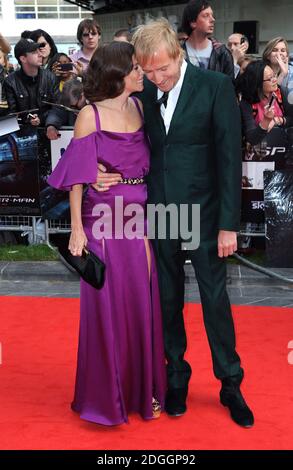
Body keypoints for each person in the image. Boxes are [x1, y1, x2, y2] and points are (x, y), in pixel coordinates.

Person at [96, 18, 254, 428]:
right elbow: (115, 130)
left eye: (162, 68)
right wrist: (97, 167)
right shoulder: (143, 92)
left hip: (204, 213)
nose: (156, 77)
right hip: (162, 211)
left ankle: (230, 382)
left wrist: (228, 224)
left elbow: (228, 157)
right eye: (147, 71)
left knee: (213, 299)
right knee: (167, 298)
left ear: (178, 53)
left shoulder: (215, 87)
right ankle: (175, 377)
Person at [47, 41, 166, 426]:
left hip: (137, 218)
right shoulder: (89, 116)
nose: (140, 73)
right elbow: (76, 178)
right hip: (101, 223)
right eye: (134, 67)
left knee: (141, 302)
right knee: (106, 309)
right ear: (117, 73)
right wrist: (77, 230)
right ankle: (107, 396)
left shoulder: (141, 108)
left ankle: (140, 389)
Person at [4, 38, 60, 127]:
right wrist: (27, 118)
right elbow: (11, 113)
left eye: (39, 50)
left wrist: (41, 118)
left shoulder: (50, 77)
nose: (40, 54)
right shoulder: (10, 82)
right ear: (23, 58)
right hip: (22, 132)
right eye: (34, 52)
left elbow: (57, 108)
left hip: (47, 129)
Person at [181, 0, 234, 79]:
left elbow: (229, 86)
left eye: (212, 15)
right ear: (193, 22)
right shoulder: (177, 52)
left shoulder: (222, 53)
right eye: (206, 15)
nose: (212, 20)